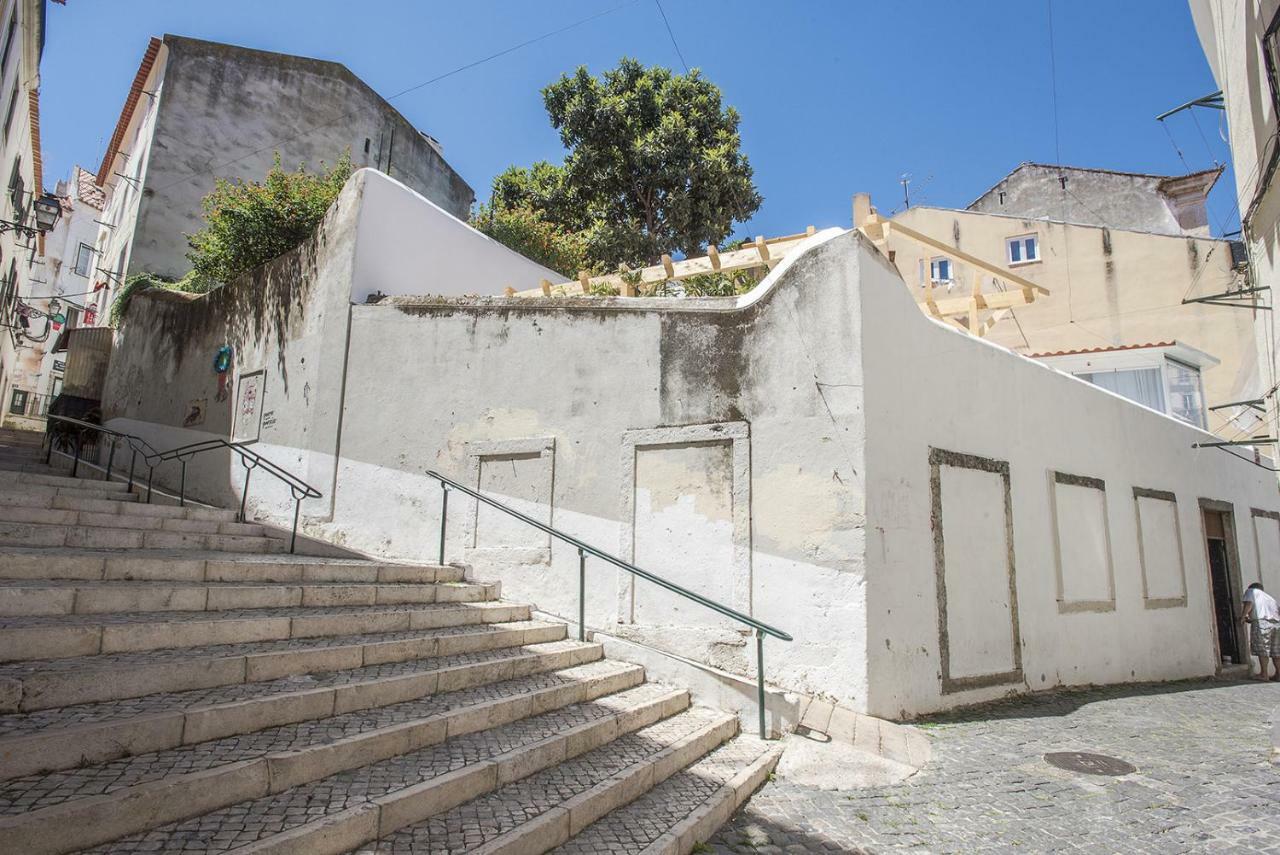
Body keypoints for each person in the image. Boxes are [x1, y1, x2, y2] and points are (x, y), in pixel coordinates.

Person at [1242, 582, 1280, 681]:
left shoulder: (1252, 591)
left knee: (1263, 648)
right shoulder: (1270, 598)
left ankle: (1264, 674)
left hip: (1261, 623)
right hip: (1276, 624)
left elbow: (1249, 603)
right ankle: (1279, 674)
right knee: (1276, 650)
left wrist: (1243, 616)